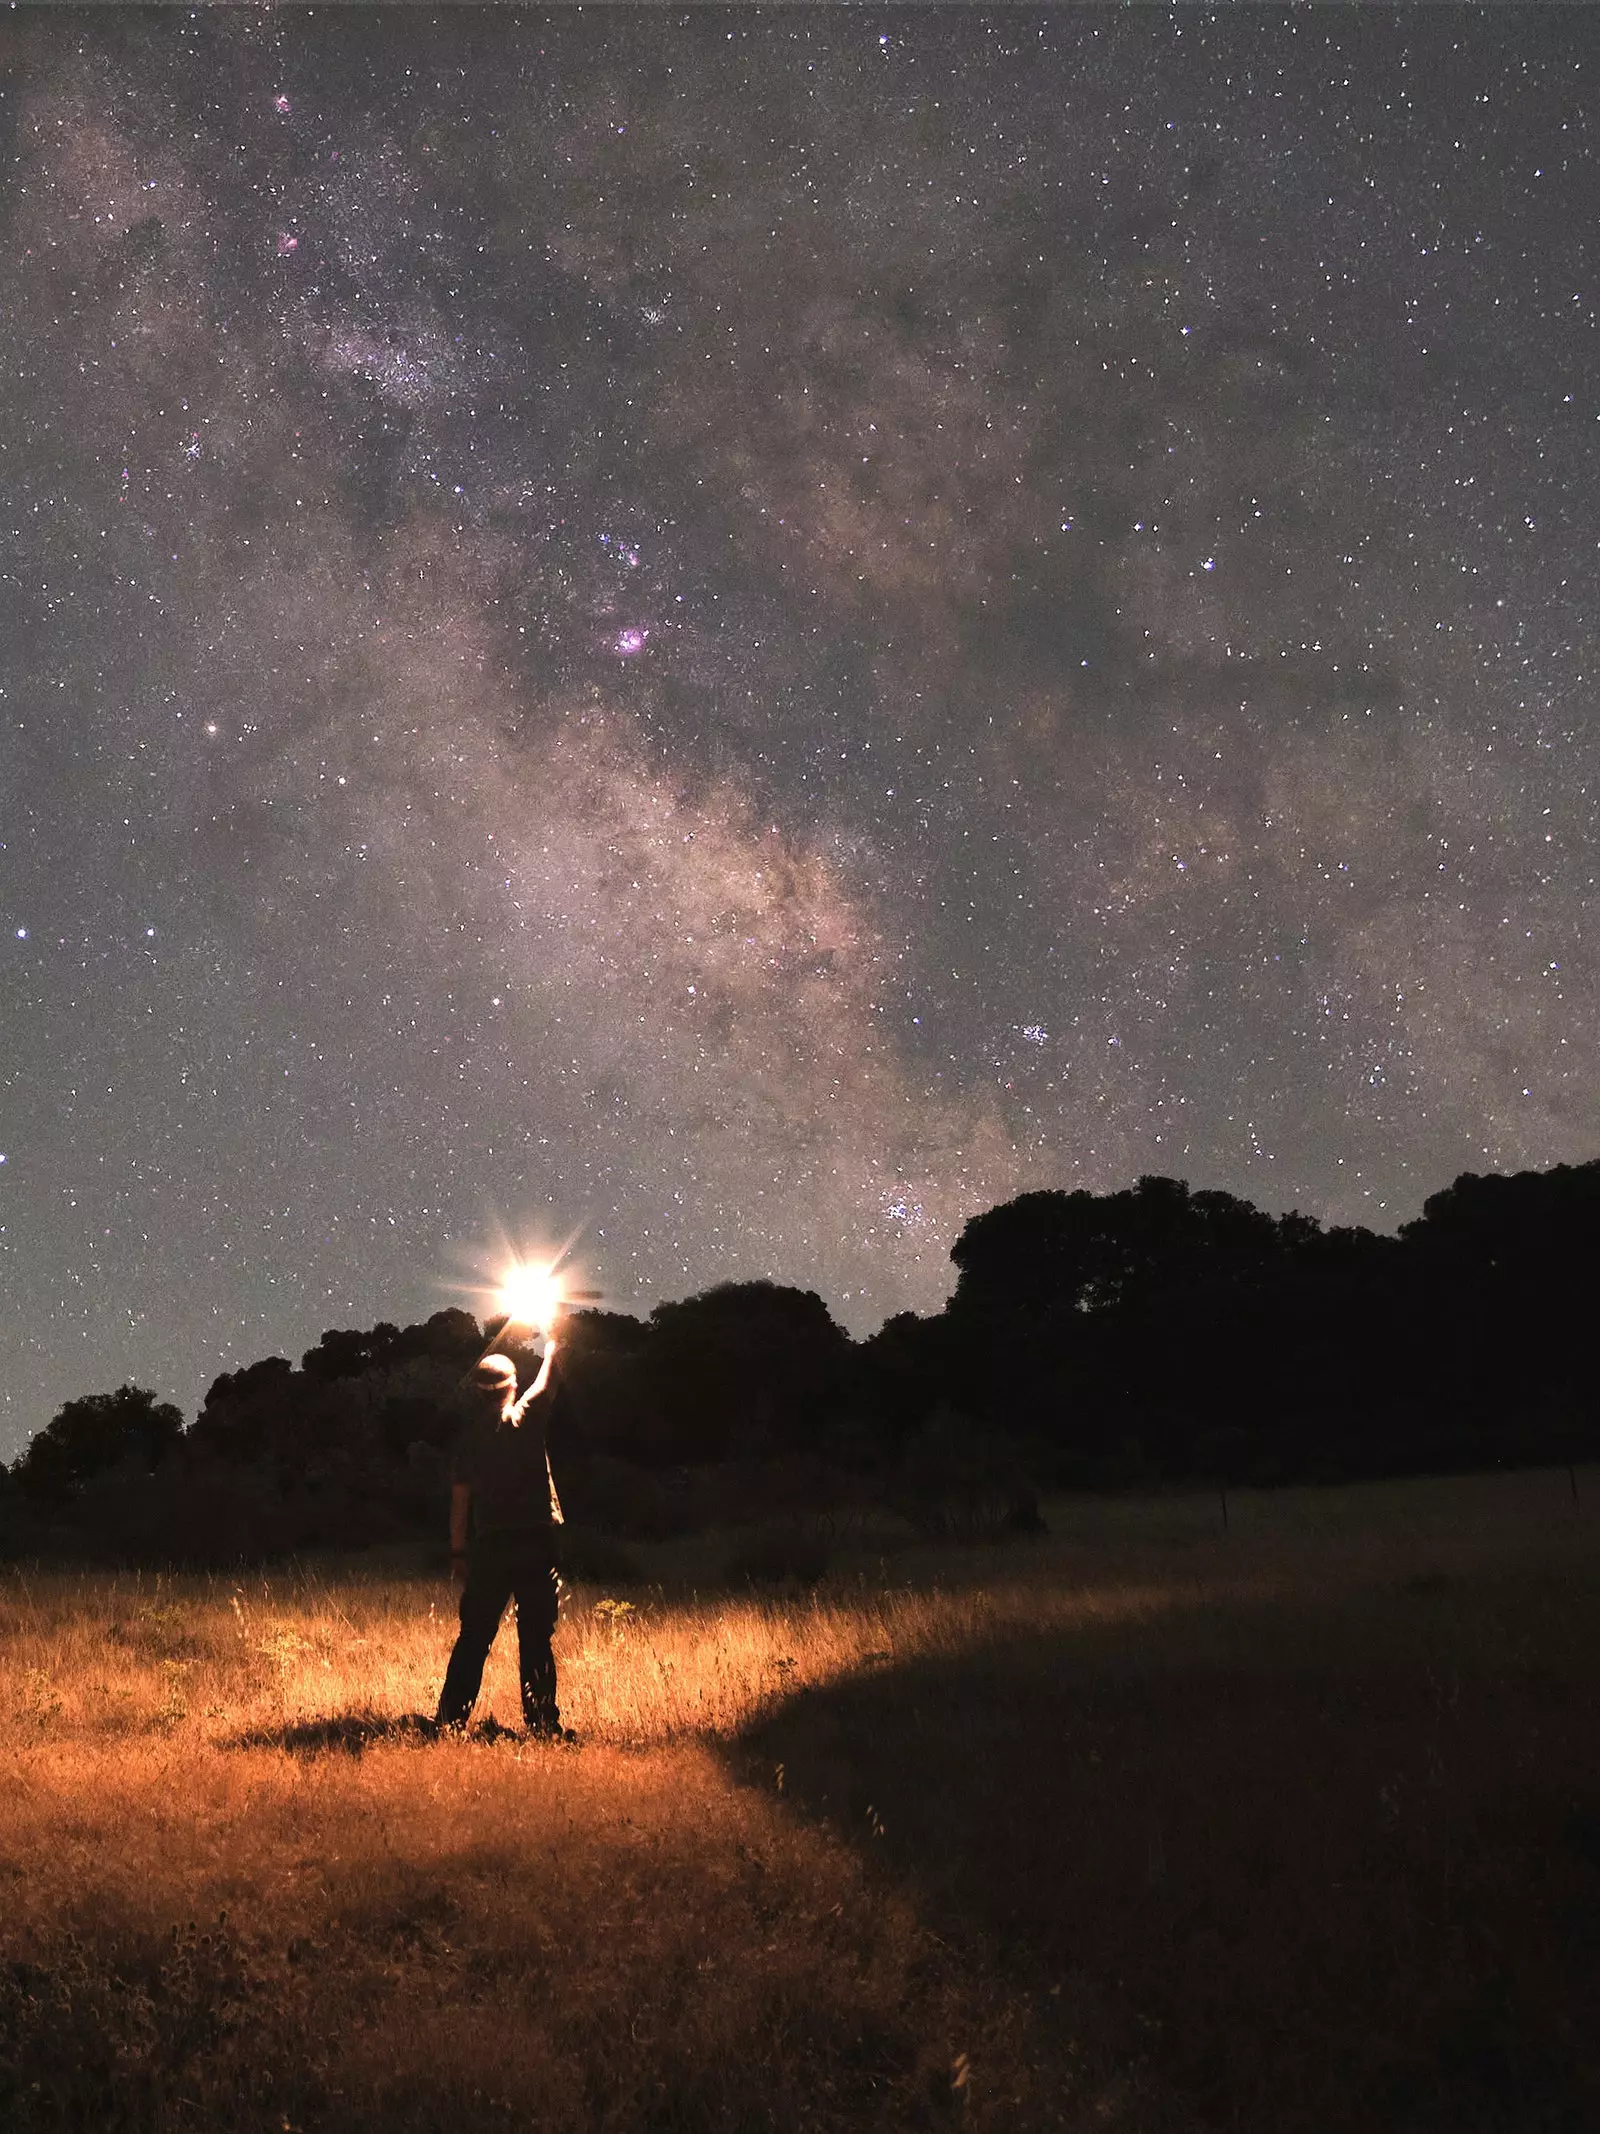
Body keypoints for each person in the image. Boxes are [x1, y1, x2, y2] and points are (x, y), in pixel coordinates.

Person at [434, 1327, 572, 1739]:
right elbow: (549, 1377)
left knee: (474, 1637)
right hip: (535, 1544)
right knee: (536, 1639)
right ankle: (543, 1727)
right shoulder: (527, 1415)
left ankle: (450, 1722)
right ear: (512, 1386)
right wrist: (554, 1342)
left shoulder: (467, 1440)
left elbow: (460, 1502)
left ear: (477, 1393)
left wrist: (458, 1554)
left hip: (489, 1548)